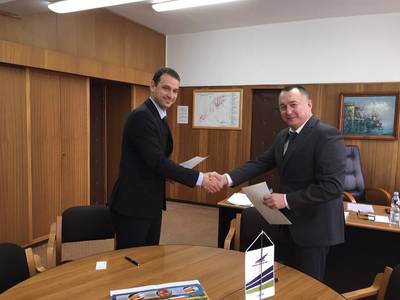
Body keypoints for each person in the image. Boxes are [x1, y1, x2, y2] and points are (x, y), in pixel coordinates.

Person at [214, 85, 346, 281]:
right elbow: (261, 162)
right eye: (283, 107)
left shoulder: (326, 135)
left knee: (308, 288)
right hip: (287, 226)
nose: (288, 111)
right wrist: (226, 178)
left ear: (309, 104)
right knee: (288, 282)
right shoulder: (283, 135)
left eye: (293, 104)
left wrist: (286, 200)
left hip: (314, 229)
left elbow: (333, 187)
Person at [109, 67, 222, 249]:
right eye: (166, 88)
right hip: (134, 205)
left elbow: (153, 160)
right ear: (152, 86)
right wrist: (201, 179)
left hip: (150, 202)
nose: (171, 95)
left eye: (175, 91)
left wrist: (169, 174)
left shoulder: (158, 115)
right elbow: (157, 161)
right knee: (129, 264)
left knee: (150, 259)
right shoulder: (142, 117)